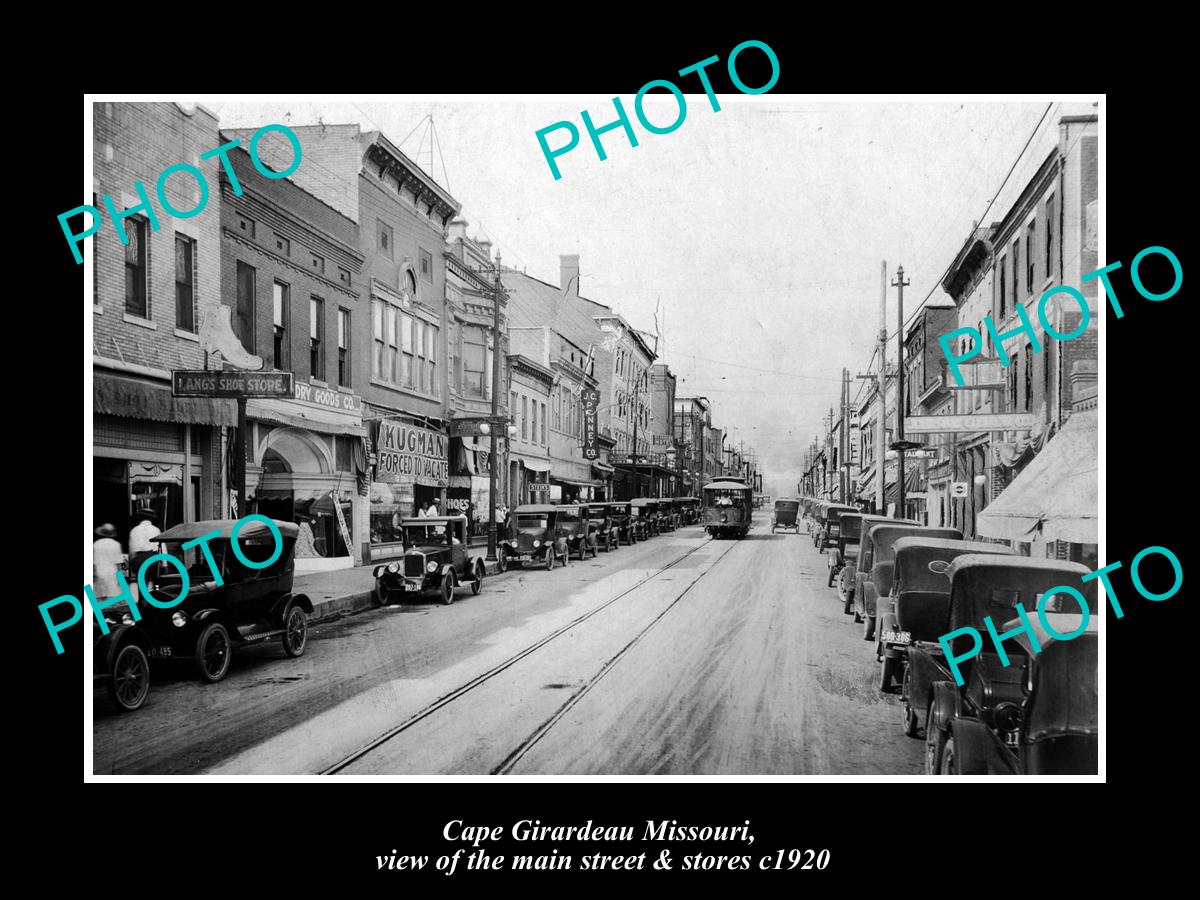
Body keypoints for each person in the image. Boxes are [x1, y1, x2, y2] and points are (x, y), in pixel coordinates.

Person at [92, 524, 125, 601]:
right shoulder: (116, 544)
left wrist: (94, 574)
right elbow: (118, 563)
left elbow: (93, 562)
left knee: (99, 598)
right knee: (113, 598)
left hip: (99, 573)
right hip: (112, 574)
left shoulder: (96, 544)